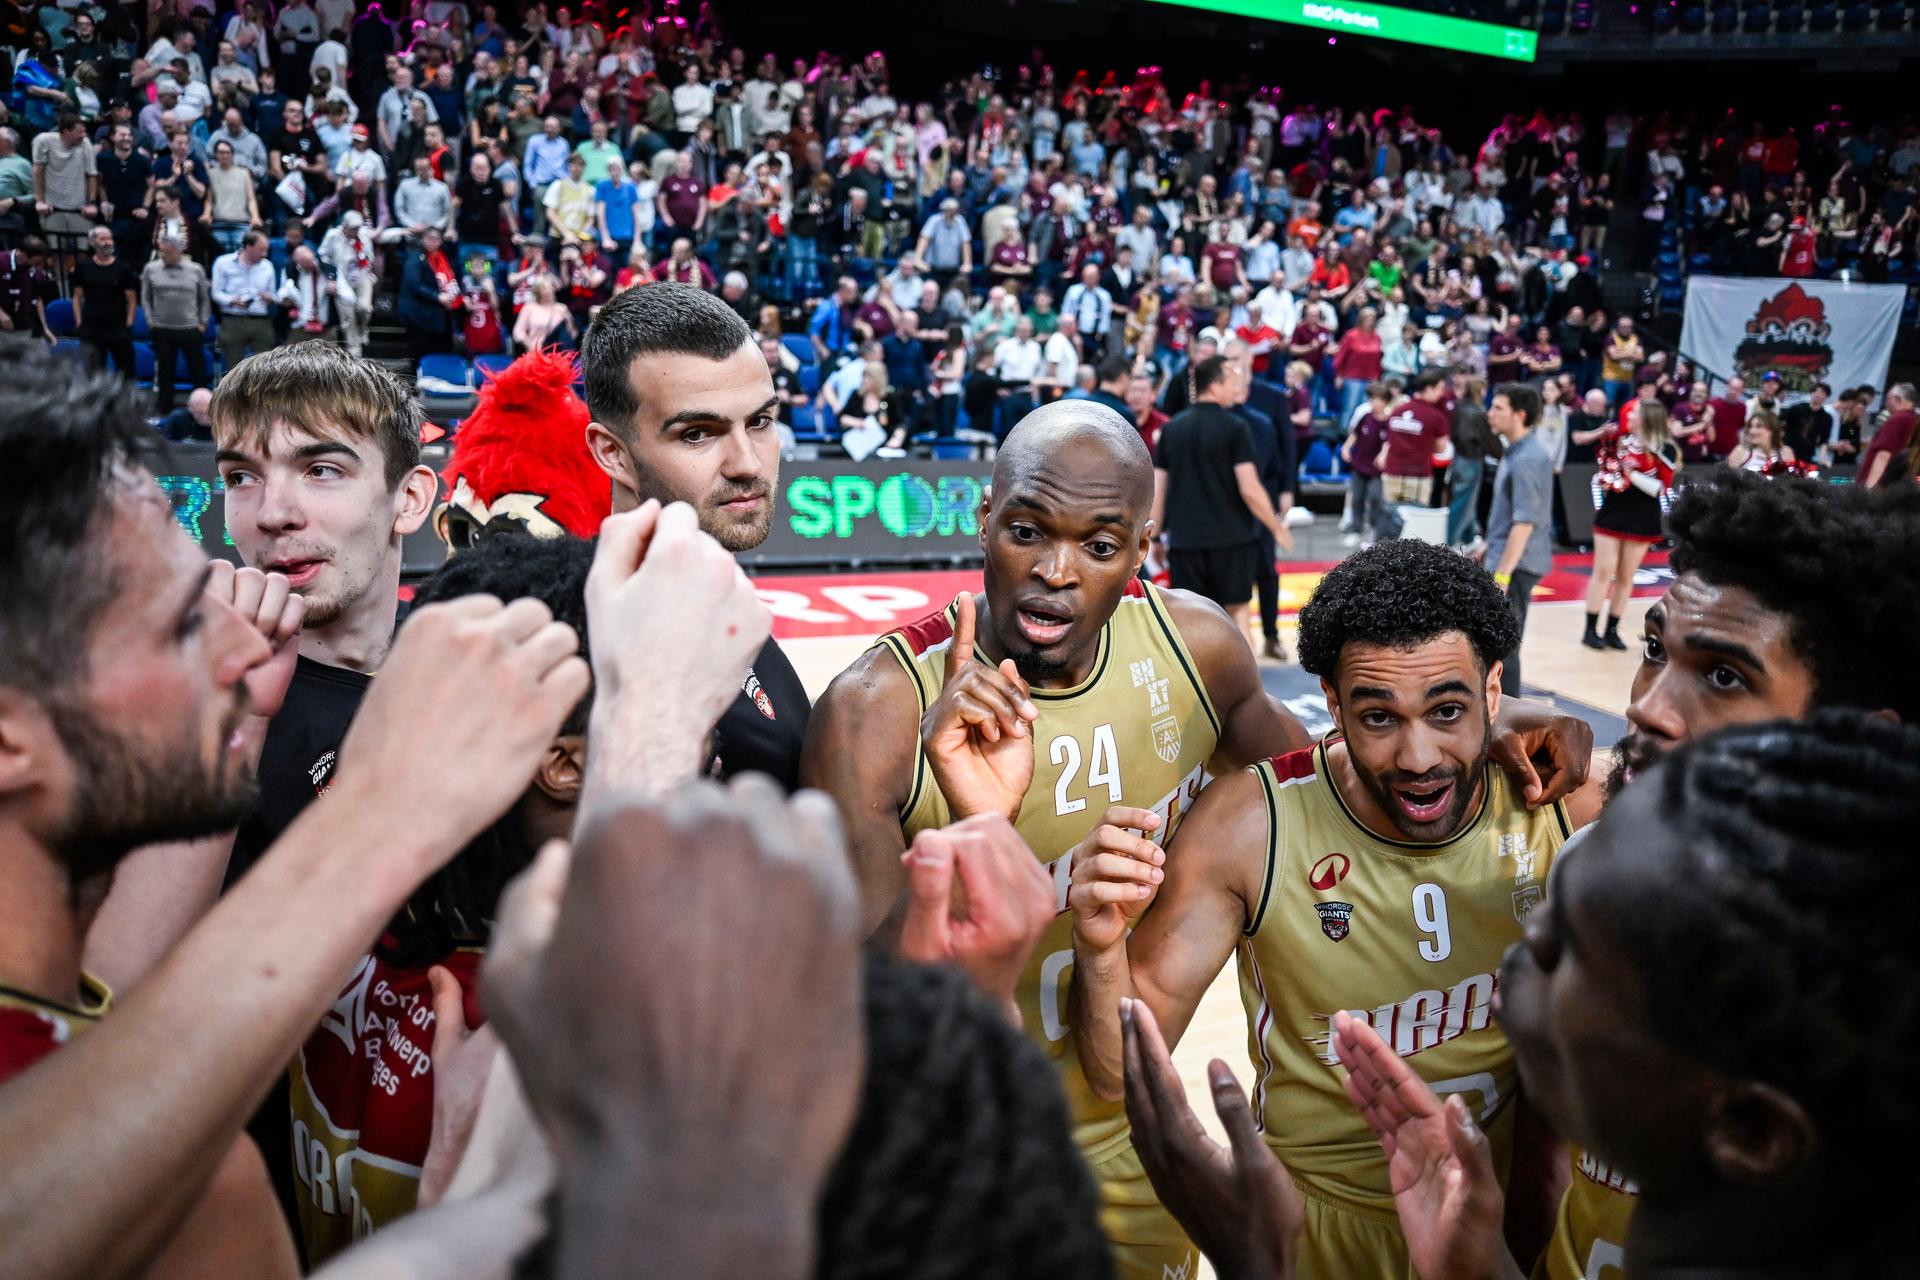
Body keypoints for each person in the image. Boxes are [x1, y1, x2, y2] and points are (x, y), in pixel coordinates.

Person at [802, 400, 1590, 1280]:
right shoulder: (875, 711)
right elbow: (843, 1008)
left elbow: (1346, 777)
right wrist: (983, 832)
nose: (1056, 572)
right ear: (984, 520)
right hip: (954, 1135)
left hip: (1131, 1125)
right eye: (1027, 531)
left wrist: (1479, 716)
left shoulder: (1194, 649)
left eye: (1100, 546)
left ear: (1142, 549)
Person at [0, 340, 586, 1280]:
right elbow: (93, 1011)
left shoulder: (495, 672)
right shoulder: (168, 727)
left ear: (410, 499)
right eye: (240, 476)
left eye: (321, 470)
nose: (274, 514)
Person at [1067, 537, 1603, 1280]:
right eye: (1379, 717)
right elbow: (1110, 1071)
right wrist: (1098, 949)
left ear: (1494, 692)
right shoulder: (1249, 826)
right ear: (1331, 705)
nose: (1418, 757)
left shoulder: (1568, 797)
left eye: (1447, 709)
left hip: (1515, 1214)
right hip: (1317, 1232)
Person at [579, 282, 813, 787]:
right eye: (697, 434)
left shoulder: (716, 600)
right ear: (612, 453)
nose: (747, 464)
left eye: (761, 422)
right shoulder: (581, 651)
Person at [1153, 355, 1291, 637]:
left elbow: (1159, 488)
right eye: (1231, 384)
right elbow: (1250, 488)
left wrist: (1154, 536)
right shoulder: (1236, 427)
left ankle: (1193, 681)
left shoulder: (1171, 428)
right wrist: (1276, 528)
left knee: (1189, 621)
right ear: (1215, 386)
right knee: (1237, 615)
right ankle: (1244, 682)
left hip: (1185, 542)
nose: (1236, 391)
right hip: (1232, 540)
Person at [1584, 399, 1678, 652]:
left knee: (1626, 576)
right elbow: (1605, 466)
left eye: (1635, 412)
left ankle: (1612, 629)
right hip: (1613, 510)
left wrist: (1631, 474)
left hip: (1643, 515)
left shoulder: (1665, 448)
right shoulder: (1619, 440)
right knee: (1603, 571)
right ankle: (1590, 629)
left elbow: (1661, 487)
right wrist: (1611, 472)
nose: (1630, 415)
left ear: (1648, 418)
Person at [1482, 383, 1553, 696]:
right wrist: (1487, 545)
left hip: (1517, 565)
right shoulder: (1516, 450)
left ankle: (1508, 719)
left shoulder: (1528, 458)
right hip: (1505, 556)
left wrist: (1502, 574)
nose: (1491, 413)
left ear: (1519, 415)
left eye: (1498, 408)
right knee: (1493, 643)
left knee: (1504, 647)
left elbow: (1524, 523)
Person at [141, 231, 212, 415]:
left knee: (197, 372)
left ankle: (204, 410)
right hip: (162, 329)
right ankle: (165, 411)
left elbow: (204, 299)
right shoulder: (151, 269)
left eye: (168, 252)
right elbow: (146, 298)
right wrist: (150, 321)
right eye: (162, 251)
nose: (164, 255)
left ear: (179, 251)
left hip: (190, 328)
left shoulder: (195, 269)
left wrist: (202, 323)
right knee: (165, 373)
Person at [70, 224, 137, 377]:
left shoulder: (123, 268)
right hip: (92, 328)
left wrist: (128, 323)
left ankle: (126, 401)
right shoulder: (83, 266)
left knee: (126, 371)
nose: (108, 242)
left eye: (110, 238)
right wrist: (79, 322)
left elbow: (132, 300)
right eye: (103, 239)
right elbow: (77, 297)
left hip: (118, 327)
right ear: (93, 243)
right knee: (93, 372)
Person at [211, 229, 280, 374]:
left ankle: (261, 396)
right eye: (261, 249)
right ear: (249, 246)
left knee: (265, 366)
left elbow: (274, 295)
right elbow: (215, 292)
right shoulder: (223, 263)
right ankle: (232, 396)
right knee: (232, 367)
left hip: (261, 320)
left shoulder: (267, 265)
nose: (265, 254)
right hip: (233, 320)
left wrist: (269, 297)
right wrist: (231, 301)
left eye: (266, 250)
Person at [1381, 369, 1453, 506]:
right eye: (1439, 389)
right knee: (1415, 521)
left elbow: (1388, 440)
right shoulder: (1435, 417)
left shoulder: (1397, 411)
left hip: (1392, 472)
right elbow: (1441, 448)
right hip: (1418, 475)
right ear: (1429, 389)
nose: (1442, 393)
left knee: (1390, 518)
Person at [397, 226, 461, 358]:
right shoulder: (414, 258)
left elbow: (452, 280)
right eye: (429, 238)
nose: (432, 242)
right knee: (420, 352)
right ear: (422, 240)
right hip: (419, 314)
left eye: (436, 239)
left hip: (439, 314)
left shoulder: (444, 258)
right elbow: (415, 285)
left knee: (441, 350)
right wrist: (438, 297)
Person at [1861, 382, 1916, 489]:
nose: (1886, 404)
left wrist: (1870, 487)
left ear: (1898, 399)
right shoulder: (1914, 419)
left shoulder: (1898, 419)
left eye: (1888, 399)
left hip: (1881, 486)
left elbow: (1883, 455)